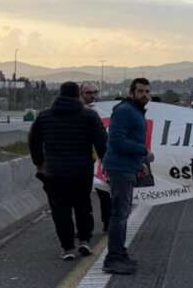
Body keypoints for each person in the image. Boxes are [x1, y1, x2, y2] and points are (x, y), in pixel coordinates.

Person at [29, 81, 108, 260]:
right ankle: (85, 240)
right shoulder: (89, 116)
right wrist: (106, 165)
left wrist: (39, 163)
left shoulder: (44, 116)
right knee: (83, 205)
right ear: (77, 95)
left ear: (60, 94)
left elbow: (34, 142)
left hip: (55, 172)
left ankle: (67, 248)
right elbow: (102, 142)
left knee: (61, 210)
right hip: (82, 170)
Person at [100, 77, 153, 274]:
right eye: (140, 91)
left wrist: (139, 163)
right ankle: (112, 259)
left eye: (147, 91)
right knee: (119, 216)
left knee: (123, 214)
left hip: (128, 167)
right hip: (120, 169)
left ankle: (120, 253)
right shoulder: (125, 111)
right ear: (131, 93)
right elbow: (116, 140)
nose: (145, 95)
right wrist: (143, 152)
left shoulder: (134, 111)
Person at [80, 81, 111, 231]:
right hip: (82, 159)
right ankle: (85, 228)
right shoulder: (77, 112)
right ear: (81, 95)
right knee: (82, 197)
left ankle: (108, 222)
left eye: (95, 92)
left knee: (104, 192)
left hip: (99, 158)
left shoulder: (102, 110)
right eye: (89, 93)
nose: (93, 96)